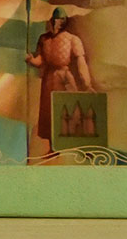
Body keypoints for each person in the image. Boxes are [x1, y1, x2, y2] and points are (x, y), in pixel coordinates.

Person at [27, 8, 96, 146]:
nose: (56, 23)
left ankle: (76, 146)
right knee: (50, 114)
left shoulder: (73, 39)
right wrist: (31, 60)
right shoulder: (44, 39)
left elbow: (81, 62)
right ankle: (53, 148)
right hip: (48, 80)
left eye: (60, 20)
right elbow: (41, 60)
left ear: (65, 21)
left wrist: (86, 84)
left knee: (69, 112)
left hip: (65, 79)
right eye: (54, 20)